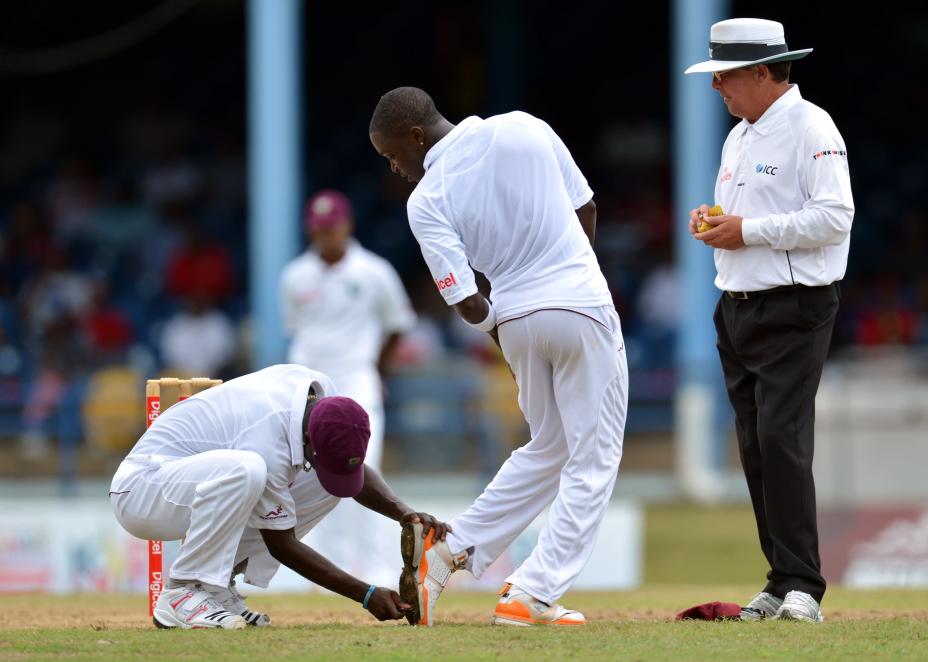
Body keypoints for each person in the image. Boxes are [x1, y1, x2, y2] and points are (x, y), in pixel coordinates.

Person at [369, 87, 628, 626]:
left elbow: (466, 302)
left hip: (515, 320)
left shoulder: (425, 201)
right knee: (592, 456)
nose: (395, 168)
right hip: (578, 302)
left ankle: (449, 550)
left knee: (551, 447)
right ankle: (532, 591)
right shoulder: (523, 126)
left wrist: (503, 337)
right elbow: (587, 207)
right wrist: (573, 276)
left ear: (417, 136)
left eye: (393, 154)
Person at [684, 18, 854, 623]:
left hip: (793, 306)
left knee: (782, 440)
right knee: (757, 447)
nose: (716, 88)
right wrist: (716, 220)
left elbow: (835, 218)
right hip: (738, 305)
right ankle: (781, 581)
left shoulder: (813, 127)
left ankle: (803, 584)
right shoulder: (740, 137)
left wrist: (745, 231)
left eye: (724, 75)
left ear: (762, 73)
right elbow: (749, 215)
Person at [109, 364, 447, 629]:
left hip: (189, 479)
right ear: (311, 440)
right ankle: (183, 592)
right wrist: (366, 594)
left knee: (323, 485)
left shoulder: (322, 399)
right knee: (247, 469)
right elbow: (281, 543)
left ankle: (216, 588)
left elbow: (350, 476)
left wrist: (405, 513)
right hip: (142, 490)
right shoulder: (266, 442)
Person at [279, 189, 417, 586]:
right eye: (320, 230)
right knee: (313, 479)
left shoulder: (374, 272)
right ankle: (330, 570)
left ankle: (378, 569)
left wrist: (378, 370)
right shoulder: (294, 276)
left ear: (347, 226)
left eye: (333, 228)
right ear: (312, 230)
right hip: (309, 388)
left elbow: (397, 324)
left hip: (357, 380)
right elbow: (295, 328)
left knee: (365, 473)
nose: (327, 237)